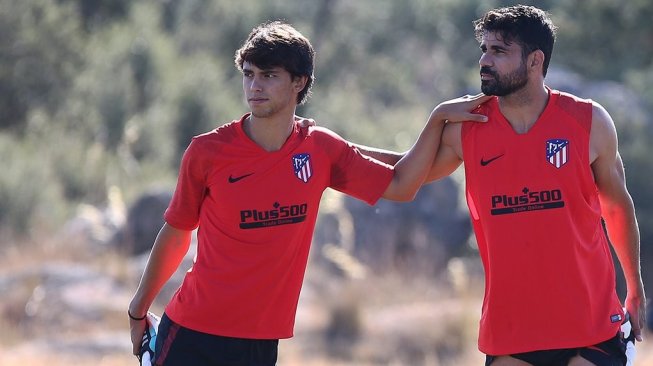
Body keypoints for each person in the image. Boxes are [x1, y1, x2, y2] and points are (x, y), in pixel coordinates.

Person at [127, 21, 489, 365]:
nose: (255, 86)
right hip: (193, 333)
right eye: (249, 74)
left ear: (299, 82)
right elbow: (176, 234)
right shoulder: (207, 151)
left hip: (260, 342)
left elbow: (403, 181)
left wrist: (438, 118)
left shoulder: (318, 148)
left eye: (269, 76)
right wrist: (138, 310)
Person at [356, 5, 646, 366]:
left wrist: (634, 285)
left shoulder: (588, 121)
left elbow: (617, 207)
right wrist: (334, 151)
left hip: (590, 326)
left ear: (535, 61)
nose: (484, 61)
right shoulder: (468, 126)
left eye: (499, 51)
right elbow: (403, 171)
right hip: (512, 332)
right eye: (484, 50)